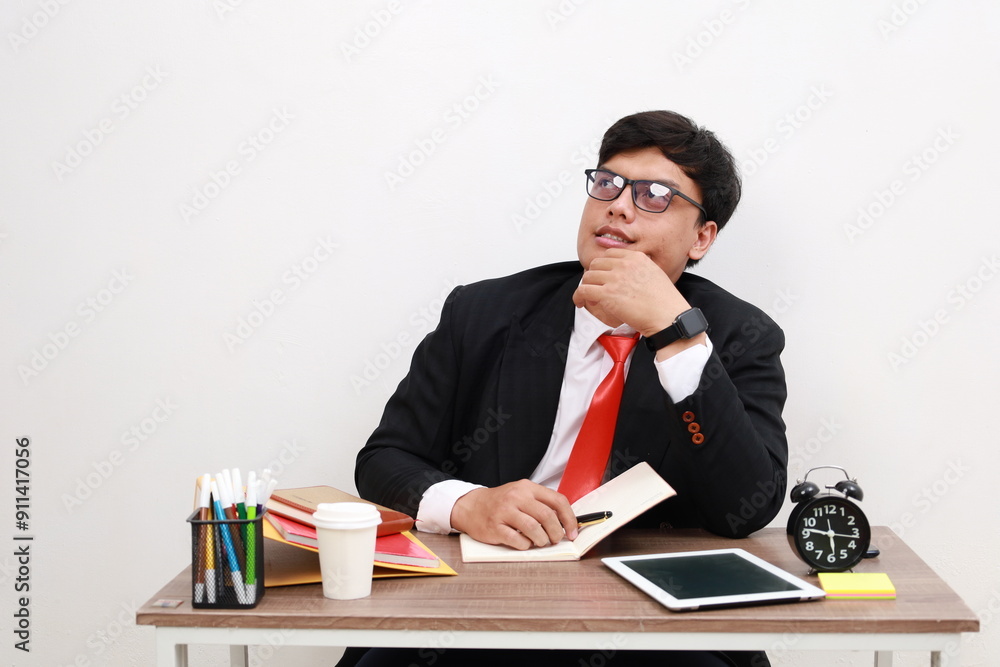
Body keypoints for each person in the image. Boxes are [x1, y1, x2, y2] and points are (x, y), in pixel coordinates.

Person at [351, 110, 787, 667]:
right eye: (607, 184)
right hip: (483, 598)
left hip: (647, 615)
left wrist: (673, 334)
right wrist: (468, 504)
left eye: (654, 195)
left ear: (701, 237)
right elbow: (385, 460)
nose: (619, 205)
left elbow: (743, 509)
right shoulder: (483, 314)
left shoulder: (738, 337)